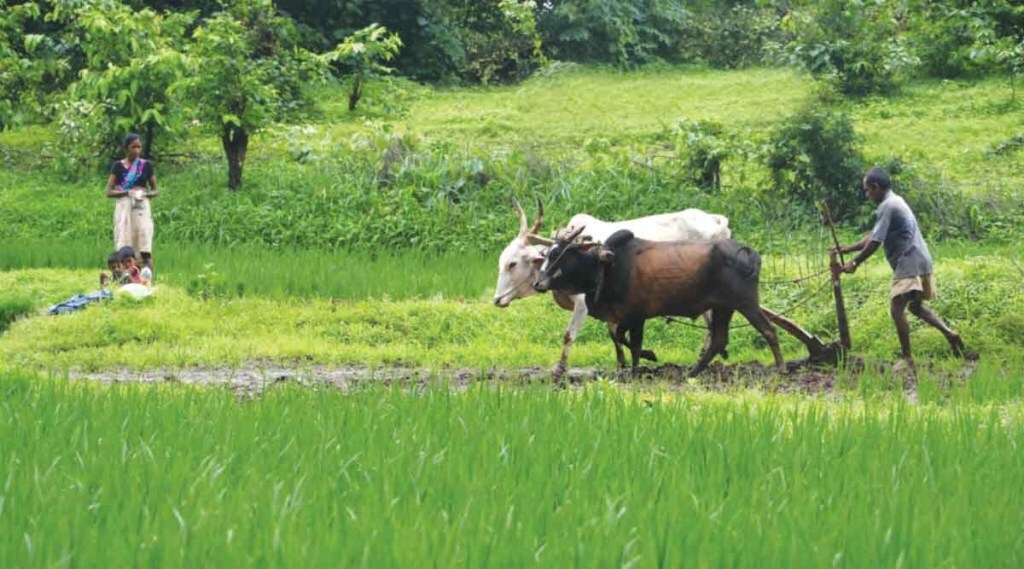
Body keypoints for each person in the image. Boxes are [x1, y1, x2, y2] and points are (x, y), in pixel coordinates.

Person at [835, 167, 966, 367]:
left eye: (867, 190)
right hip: (920, 259)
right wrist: (847, 250)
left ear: (876, 187)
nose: (866, 194)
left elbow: (875, 242)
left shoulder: (888, 206)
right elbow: (872, 235)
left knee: (897, 309)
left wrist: (854, 263)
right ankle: (950, 335)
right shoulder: (895, 201)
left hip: (909, 262)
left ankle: (907, 358)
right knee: (915, 307)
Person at [107, 133, 158, 272]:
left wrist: (145, 194)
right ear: (126, 148)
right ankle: (125, 279)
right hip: (124, 208)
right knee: (124, 241)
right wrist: (127, 192)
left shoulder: (146, 165)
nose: (136, 150)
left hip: (141, 208)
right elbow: (109, 192)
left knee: (143, 243)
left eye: (139, 147)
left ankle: (147, 280)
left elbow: (155, 190)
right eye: (133, 147)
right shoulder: (117, 166)